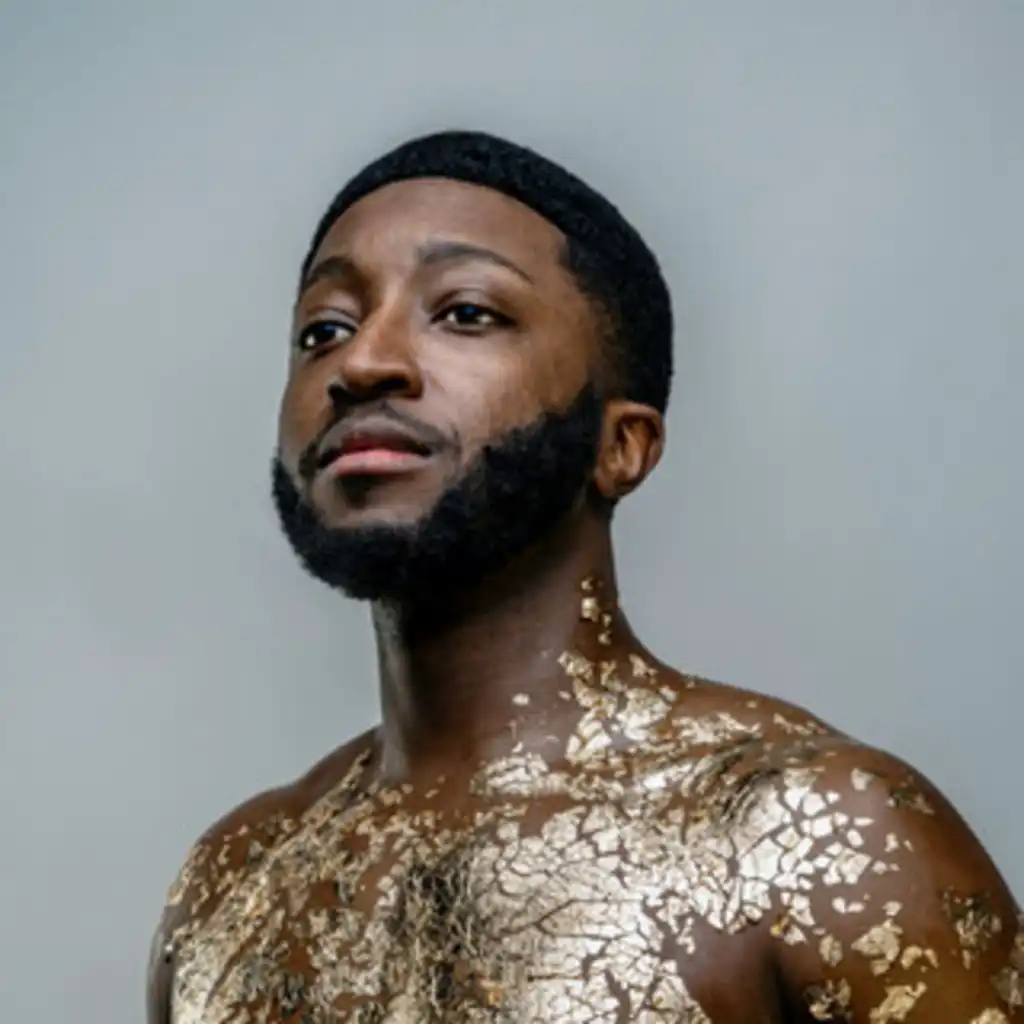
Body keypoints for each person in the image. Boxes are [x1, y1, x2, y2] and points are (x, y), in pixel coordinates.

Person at [147, 130, 1021, 1024]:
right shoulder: (234, 883)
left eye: (466, 312)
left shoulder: (816, 837)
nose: (362, 363)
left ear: (621, 445)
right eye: (323, 330)